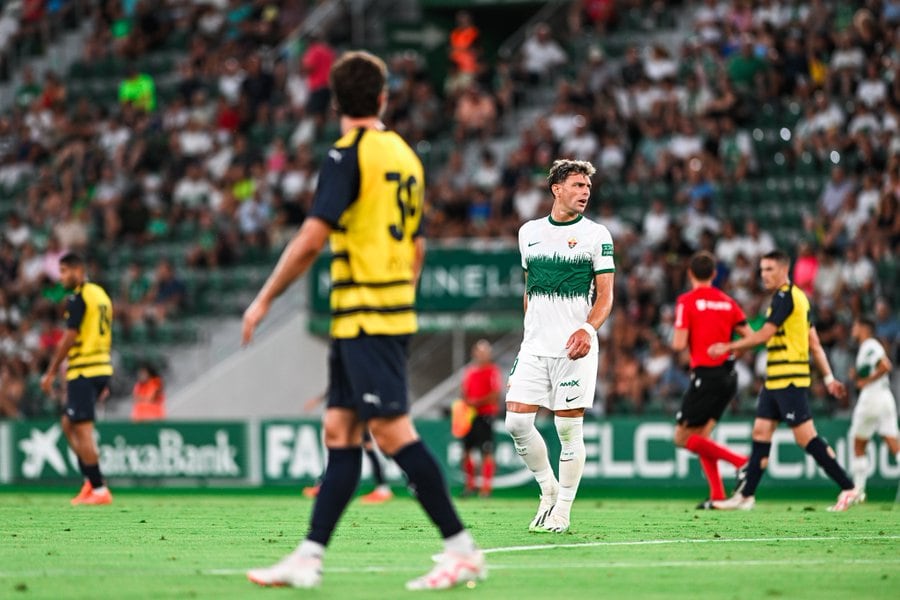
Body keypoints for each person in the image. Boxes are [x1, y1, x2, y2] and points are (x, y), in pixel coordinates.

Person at [241, 51, 484, 591]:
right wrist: (400, 291)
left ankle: (462, 549)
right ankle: (309, 556)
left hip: (368, 312)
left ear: (334, 102)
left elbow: (310, 239)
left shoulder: (347, 154)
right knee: (341, 430)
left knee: (393, 431)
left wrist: (263, 299)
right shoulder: (404, 154)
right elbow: (418, 245)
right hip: (374, 312)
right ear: (382, 97)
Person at [505, 159, 615, 534]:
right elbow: (529, 288)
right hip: (534, 347)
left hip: (574, 349)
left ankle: (563, 510)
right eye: (577, 185)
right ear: (556, 189)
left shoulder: (597, 235)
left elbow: (605, 296)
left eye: (587, 186)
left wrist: (587, 329)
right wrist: (530, 330)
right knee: (516, 422)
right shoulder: (529, 232)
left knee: (569, 433)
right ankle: (547, 488)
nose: (585, 192)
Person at [709, 250, 861, 512]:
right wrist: (828, 377)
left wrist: (728, 347)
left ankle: (849, 488)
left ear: (783, 269)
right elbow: (814, 343)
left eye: (769, 269)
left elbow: (764, 336)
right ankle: (746, 495)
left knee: (806, 438)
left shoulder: (785, 297)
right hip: (775, 380)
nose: (764, 275)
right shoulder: (798, 299)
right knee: (760, 433)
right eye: (761, 270)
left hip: (790, 378)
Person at [671, 251, 751, 509]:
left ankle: (741, 462)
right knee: (703, 437)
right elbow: (750, 337)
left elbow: (678, 343)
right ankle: (717, 495)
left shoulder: (687, 301)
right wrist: (731, 347)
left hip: (705, 376)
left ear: (690, 273)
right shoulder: (728, 302)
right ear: (714, 274)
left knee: (682, 438)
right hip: (728, 377)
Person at [40, 252, 114, 506]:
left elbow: (70, 337)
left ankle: (99, 489)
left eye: (64, 271)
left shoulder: (79, 297)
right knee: (68, 423)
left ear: (78, 270)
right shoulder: (100, 294)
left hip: (85, 368)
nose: (61, 277)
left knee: (82, 430)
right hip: (100, 366)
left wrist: (50, 371)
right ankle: (89, 482)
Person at [848, 317, 900, 501]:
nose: (853, 328)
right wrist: (858, 374)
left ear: (864, 328)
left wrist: (864, 382)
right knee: (894, 444)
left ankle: (858, 491)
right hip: (885, 397)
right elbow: (874, 367)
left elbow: (885, 365)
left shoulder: (869, 344)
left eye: (856, 325)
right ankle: (858, 492)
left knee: (858, 444)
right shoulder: (868, 347)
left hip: (872, 397)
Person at [459, 339, 503, 497]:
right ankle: (470, 485)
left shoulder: (492, 371)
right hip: (470, 416)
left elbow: (496, 394)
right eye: (479, 351)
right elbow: (464, 392)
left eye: (484, 351)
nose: (481, 354)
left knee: (486, 451)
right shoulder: (470, 372)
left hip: (486, 415)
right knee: (466, 451)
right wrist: (466, 403)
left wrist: (476, 401)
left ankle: (485, 488)